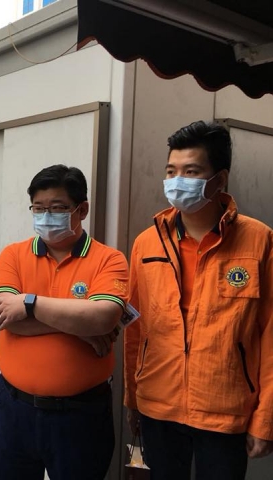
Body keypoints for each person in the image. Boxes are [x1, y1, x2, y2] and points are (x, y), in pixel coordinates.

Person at [124, 121, 273, 479]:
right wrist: (132, 398)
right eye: (171, 171)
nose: (177, 181)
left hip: (224, 408)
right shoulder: (147, 243)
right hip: (158, 403)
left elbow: (270, 334)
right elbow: (134, 326)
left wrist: (265, 418)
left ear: (220, 179)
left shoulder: (259, 240)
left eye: (191, 172)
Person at [0, 165, 129, 480]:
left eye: (58, 208)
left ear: (82, 210)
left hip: (81, 416)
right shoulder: (13, 255)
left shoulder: (109, 259)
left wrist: (29, 303)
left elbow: (104, 316)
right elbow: (4, 316)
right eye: (38, 208)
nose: (46, 215)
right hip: (15, 410)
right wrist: (80, 327)